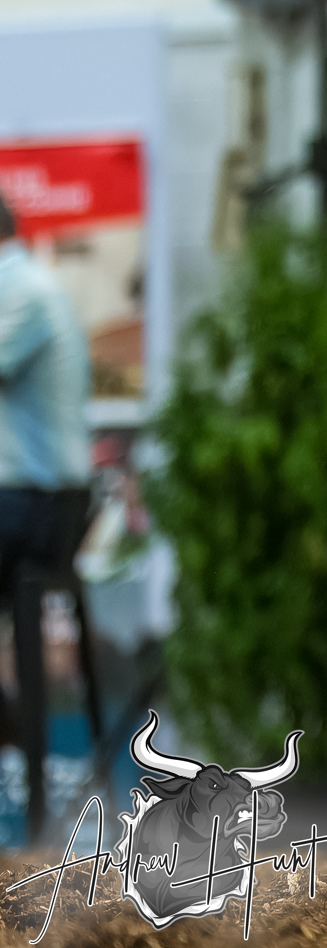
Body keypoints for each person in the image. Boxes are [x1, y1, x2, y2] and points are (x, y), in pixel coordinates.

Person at [0, 192, 92, 799]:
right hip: (33, 501)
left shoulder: (22, 288)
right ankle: (9, 730)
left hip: (39, 508)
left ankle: (13, 736)